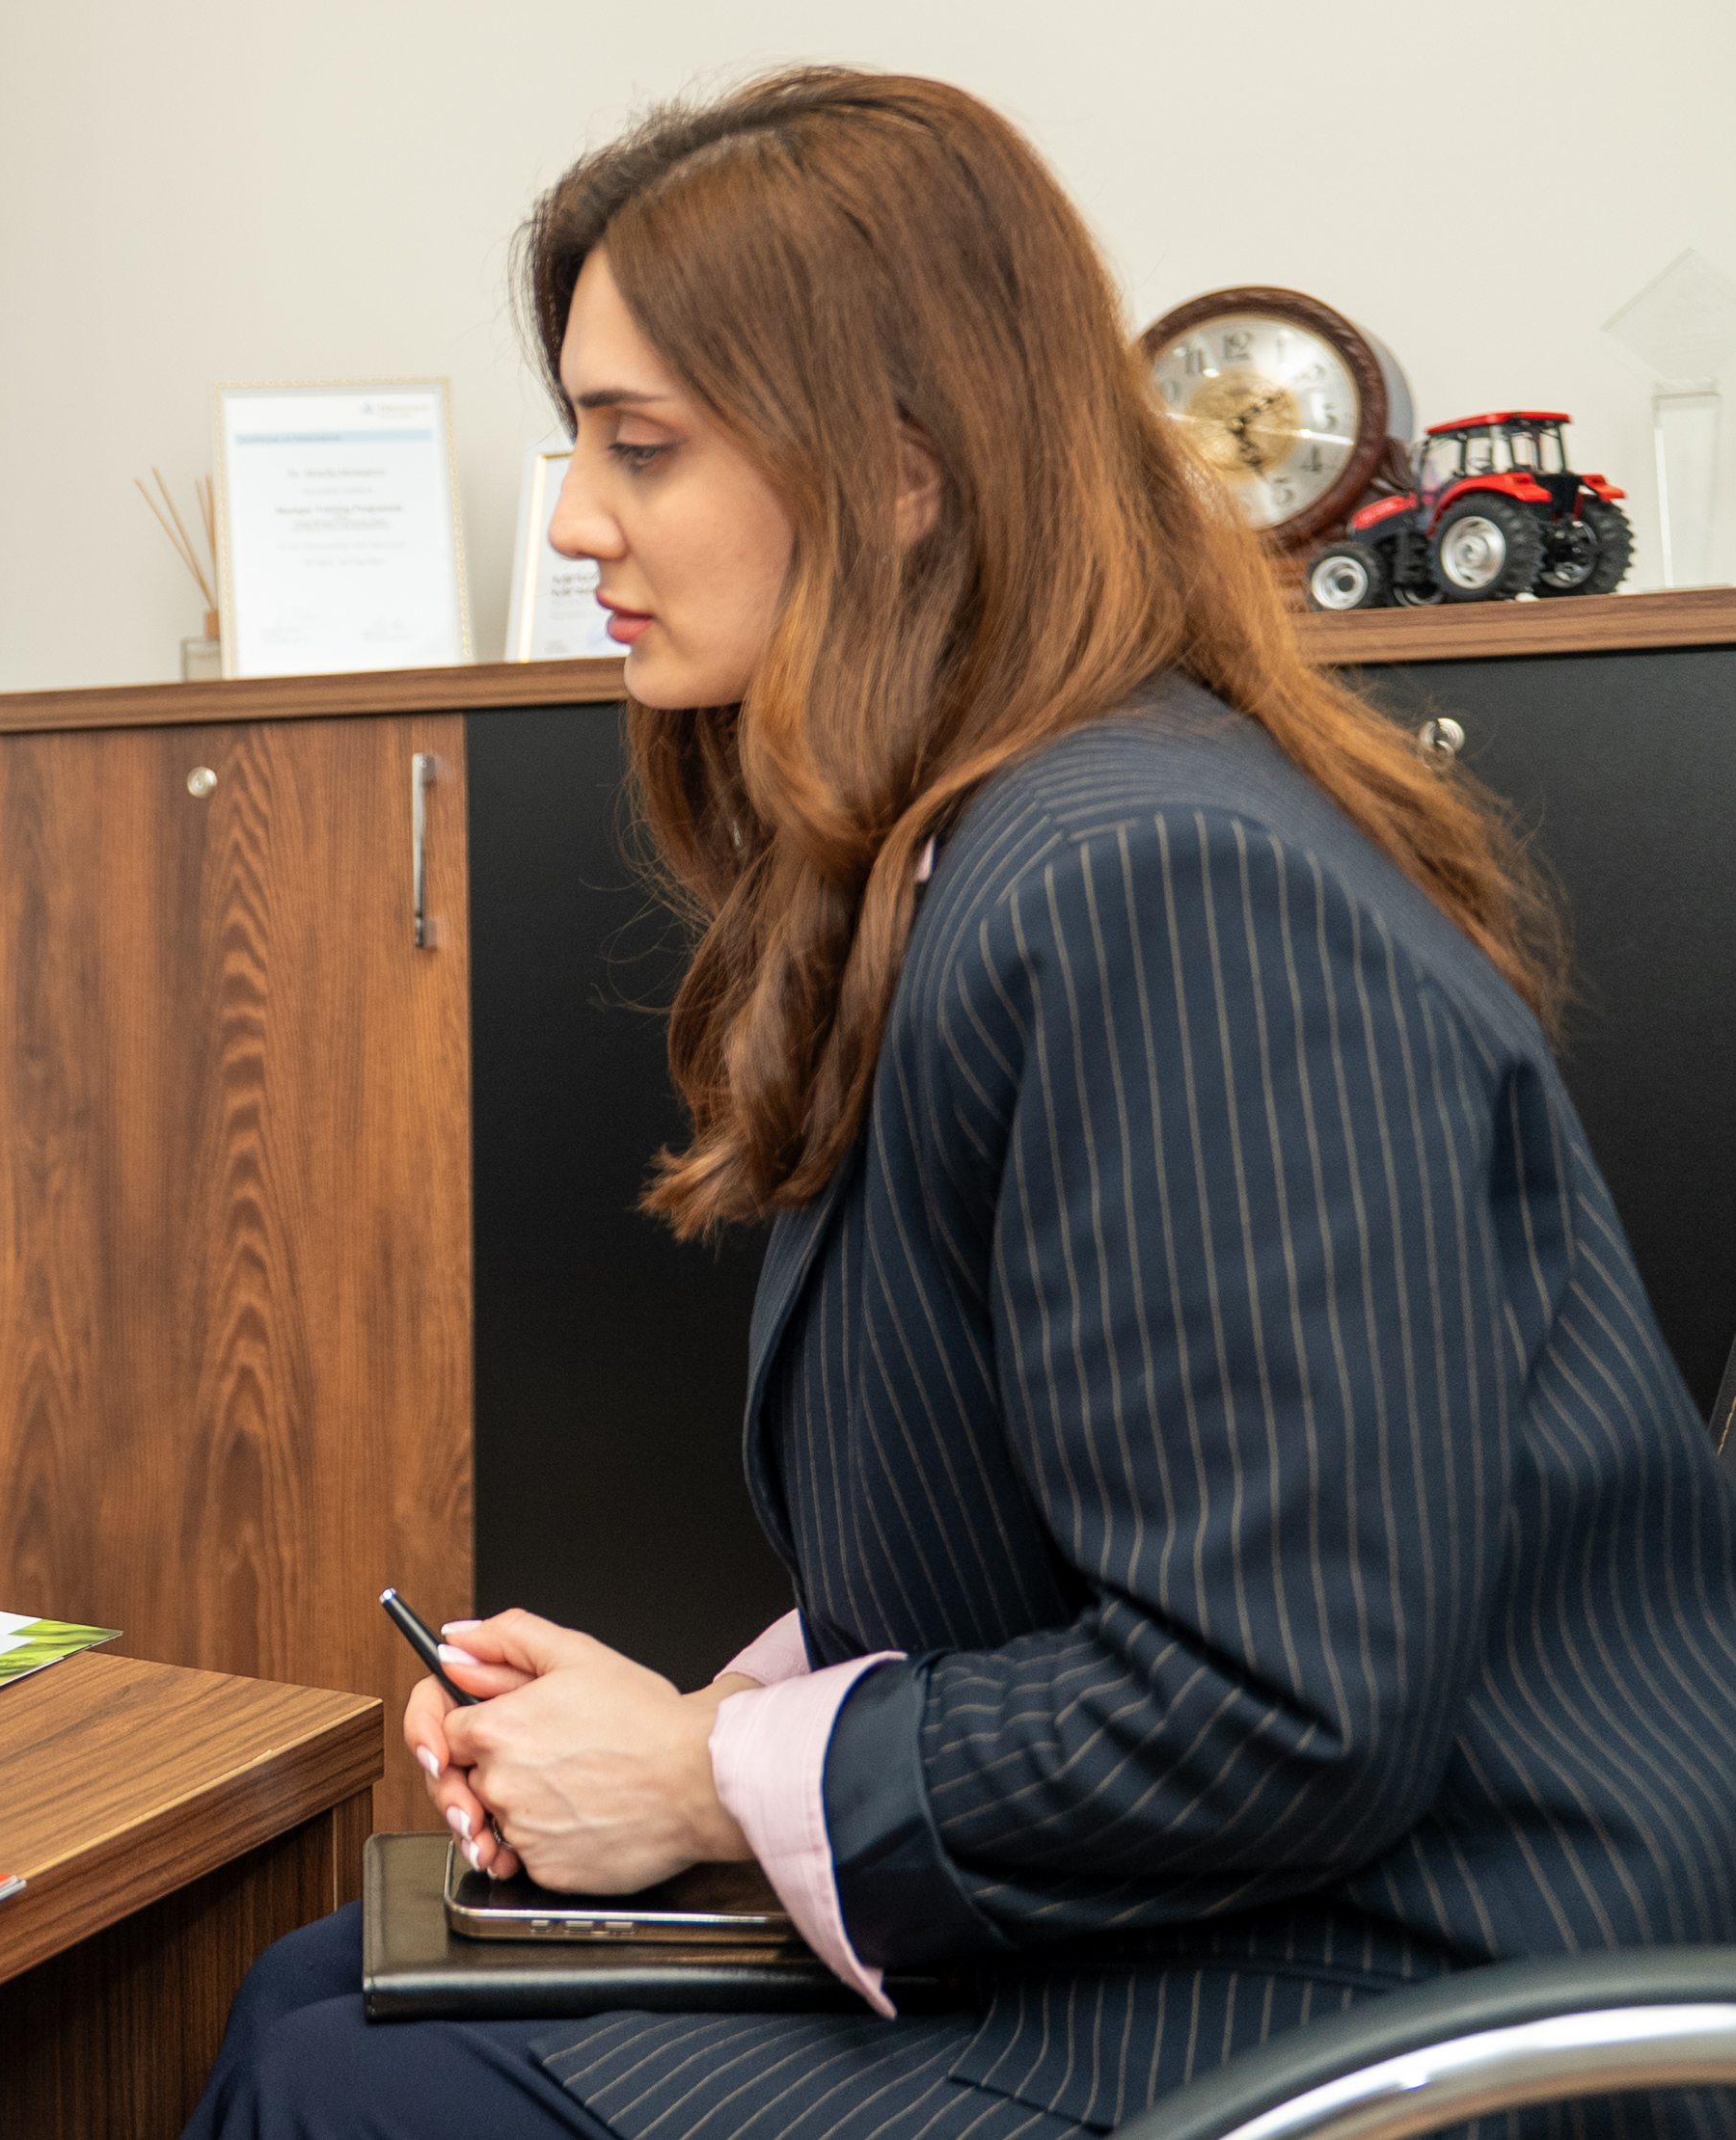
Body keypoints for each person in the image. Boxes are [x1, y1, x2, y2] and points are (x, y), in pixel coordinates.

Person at [187, 69, 1736, 2140]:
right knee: (321, 1989)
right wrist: (701, 1728)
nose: (571, 523)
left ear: (901, 470)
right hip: (1260, 1929)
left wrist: (700, 1781)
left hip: (1401, 1991)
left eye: (639, 446)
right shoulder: (992, 848)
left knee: (348, 2083)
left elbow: (1275, 1707)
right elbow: (1082, 1542)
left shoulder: (1151, 883)